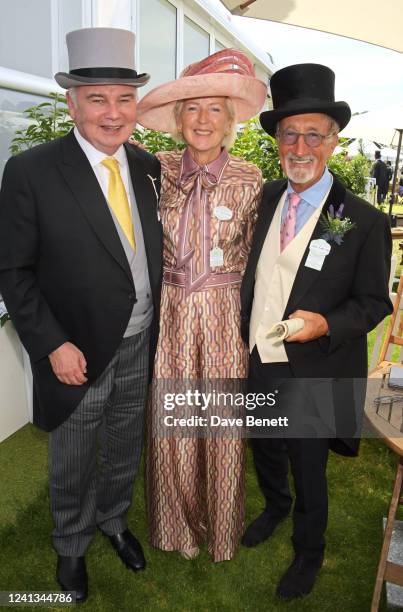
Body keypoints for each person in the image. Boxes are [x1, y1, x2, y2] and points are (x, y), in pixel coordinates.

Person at [0, 28, 162, 603]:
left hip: (141, 340)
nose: (112, 114)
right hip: (77, 349)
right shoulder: (32, 171)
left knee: (123, 443)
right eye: (97, 99)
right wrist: (52, 344)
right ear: (72, 103)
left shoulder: (147, 168)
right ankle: (70, 543)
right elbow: (13, 272)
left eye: (123, 99)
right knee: (73, 453)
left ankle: (114, 522)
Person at [240, 63, 392, 599]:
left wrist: (327, 322)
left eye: (313, 134)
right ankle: (274, 507)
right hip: (259, 355)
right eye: (289, 133)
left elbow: (376, 302)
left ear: (333, 141)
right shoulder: (264, 200)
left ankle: (310, 549)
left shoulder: (363, 220)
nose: (300, 146)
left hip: (317, 366)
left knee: (308, 462)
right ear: (278, 139)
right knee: (265, 444)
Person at [136, 49, 267, 561]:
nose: (203, 120)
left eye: (215, 109)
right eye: (192, 109)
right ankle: (175, 528)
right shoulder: (155, 170)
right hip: (169, 313)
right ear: (178, 119)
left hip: (221, 315)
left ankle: (219, 527)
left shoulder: (251, 177)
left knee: (219, 423)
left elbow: (260, 260)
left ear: (231, 120)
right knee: (172, 421)